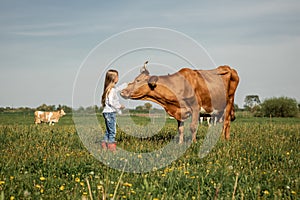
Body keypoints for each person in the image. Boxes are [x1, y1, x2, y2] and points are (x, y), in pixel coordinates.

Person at [101, 69, 127, 151]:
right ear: (113, 78)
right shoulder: (112, 90)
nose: (118, 78)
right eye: (117, 76)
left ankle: (104, 145)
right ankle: (112, 148)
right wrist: (120, 106)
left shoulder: (108, 89)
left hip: (106, 112)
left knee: (108, 131)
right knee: (112, 131)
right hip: (110, 113)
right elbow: (112, 102)